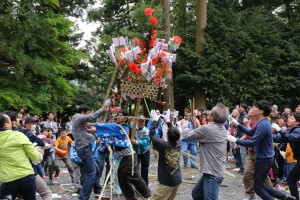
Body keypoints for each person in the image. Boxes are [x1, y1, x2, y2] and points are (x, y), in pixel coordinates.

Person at [227, 100, 296, 200]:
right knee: (260, 186)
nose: (252, 108)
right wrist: (237, 124)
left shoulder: (263, 124)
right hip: (263, 157)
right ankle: (284, 197)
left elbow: (252, 142)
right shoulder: (262, 122)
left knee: (258, 187)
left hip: (264, 158)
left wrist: (234, 139)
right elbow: (250, 132)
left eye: (255, 107)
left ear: (261, 111)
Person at [95, 109, 151, 200]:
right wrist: (90, 129)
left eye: (120, 115)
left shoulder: (122, 128)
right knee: (122, 177)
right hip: (123, 157)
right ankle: (131, 197)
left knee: (133, 175)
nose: (118, 116)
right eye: (117, 114)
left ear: (125, 118)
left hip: (130, 156)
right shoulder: (117, 126)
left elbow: (106, 127)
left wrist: (90, 125)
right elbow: (106, 130)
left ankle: (147, 194)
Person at [182, 103, 229, 200]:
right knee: (197, 194)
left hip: (213, 173)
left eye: (210, 114)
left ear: (213, 117)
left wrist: (184, 125)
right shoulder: (222, 127)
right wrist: (198, 126)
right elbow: (206, 134)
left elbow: (187, 136)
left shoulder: (208, 129)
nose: (207, 115)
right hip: (214, 170)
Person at [72, 100, 111, 200]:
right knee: (91, 174)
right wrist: (105, 107)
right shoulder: (79, 117)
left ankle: (98, 192)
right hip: (84, 150)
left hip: (85, 148)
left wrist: (94, 127)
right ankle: (83, 197)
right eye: (88, 113)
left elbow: (90, 126)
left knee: (96, 170)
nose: (88, 116)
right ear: (84, 112)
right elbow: (92, 116)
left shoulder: (80, 121)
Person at [0, 113, 42, 200]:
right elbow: (35, 157)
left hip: (7, 179)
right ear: (6, 125)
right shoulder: (18, 135)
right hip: (25, 176)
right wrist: (40, 154)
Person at [149, 110, 182, 200]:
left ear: (167, 135)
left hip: (166, 182)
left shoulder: (164, 145)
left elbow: (151, 134)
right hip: (177, 180)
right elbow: (174, 132)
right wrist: (168, 121)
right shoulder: (179, 142)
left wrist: (155, 120)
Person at [272, 113, 300, 200]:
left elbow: (291, 138)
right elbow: (280, 138)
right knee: (291, 179)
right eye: (289, 118)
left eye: (292, 118)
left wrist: (280, 130)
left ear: (298, 122)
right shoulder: (291, 130)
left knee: (291, 180)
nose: (289, 119)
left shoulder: (298, 130)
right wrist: (266, 135)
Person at [132, 115, 151, 185]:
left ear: (144, 122)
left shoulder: (147, 131)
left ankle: (145, 185)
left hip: (145, 152)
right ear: (137, 121)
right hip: (136, 152)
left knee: (145, 169)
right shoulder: (133, 128)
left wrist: (136, 142)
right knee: (135, 169)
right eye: (139, 121)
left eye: (142, 121)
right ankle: (137, 185)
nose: (140, 123)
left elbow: (145, 142)